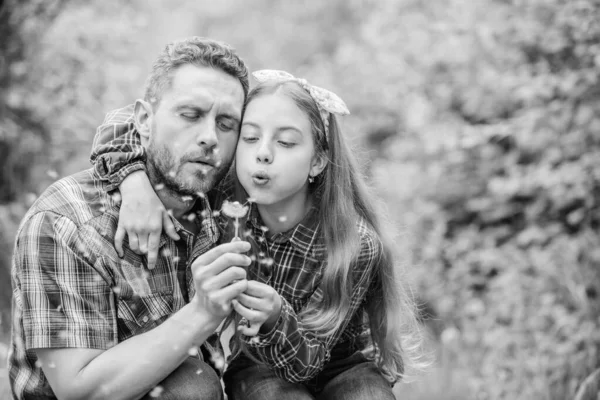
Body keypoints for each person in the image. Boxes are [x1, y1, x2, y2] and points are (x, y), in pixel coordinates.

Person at [91, 70, 427, 400]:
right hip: (255, 364)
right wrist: (135, 184)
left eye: (285, 142)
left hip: (343, 366)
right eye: (250, 138)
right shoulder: (223, 198)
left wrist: (276, 317)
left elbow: (307, 365)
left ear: (318, 161)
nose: (263, 152)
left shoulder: (354, 243)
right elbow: (125, 123)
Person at [8, 36, 253, 400]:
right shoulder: (66, 222)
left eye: (227, 123)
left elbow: (288, 123)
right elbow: (78, 392)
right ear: (143, 120)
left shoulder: (221, 202)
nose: (209, 138)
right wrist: (203, 313)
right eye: (190, 115)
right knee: (192, 386)